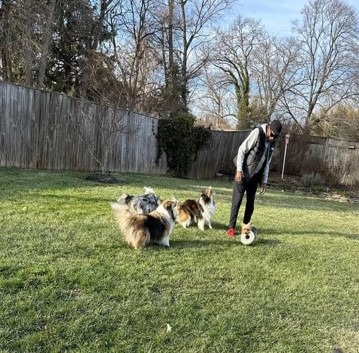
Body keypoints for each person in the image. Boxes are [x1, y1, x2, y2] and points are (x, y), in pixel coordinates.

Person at [227, 120, 282, 238]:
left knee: (250, 204)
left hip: (255, 177)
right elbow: (242, 149)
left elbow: (267, 163)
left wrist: (264, 182)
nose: (273, 138)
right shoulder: (257, 133)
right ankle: (231, 228)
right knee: (236, 202)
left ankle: (245, 227)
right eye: (272, 134)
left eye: (276, 136)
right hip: (243, 173)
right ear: (268, 129)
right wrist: (239, 170)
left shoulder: (272, 143)